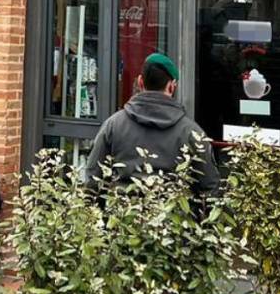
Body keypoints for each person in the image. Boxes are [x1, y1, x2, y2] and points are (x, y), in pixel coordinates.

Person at [85, 53, 220, 198]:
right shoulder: (191, 132)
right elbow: (210, 187)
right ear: (172, 86)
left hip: (121, 210)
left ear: (140, 82)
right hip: (173, 211)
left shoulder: (113, 125)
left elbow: (93, 181)